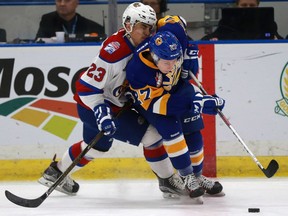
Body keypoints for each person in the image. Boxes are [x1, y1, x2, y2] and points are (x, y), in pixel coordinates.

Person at [38, 2, 187, 199]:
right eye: (143, 26)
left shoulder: (146, 44)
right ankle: (168, 180)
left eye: (150, 27)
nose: (147, 32)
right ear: (128, 25)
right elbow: (86, 88)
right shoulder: (114, 52)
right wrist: (102, 113)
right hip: (95, 105)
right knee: (152, 136)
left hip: (112, 103)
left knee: (97, 147)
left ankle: (55, 172)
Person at [126, 28, 226, 202]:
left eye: (176, 60)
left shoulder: (174, 42)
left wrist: (190, 54)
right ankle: (186, 177)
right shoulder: (138, 71)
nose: (172, 65)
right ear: (155, 57)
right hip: (153, 103)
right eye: (167, 62)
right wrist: (198, 103)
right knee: (172, 130)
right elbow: (164, 105)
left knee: (193, 127)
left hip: (176, 89)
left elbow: (176, 23)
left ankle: (197, 176)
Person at [201, 0, 283, 40]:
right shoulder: (228, 21)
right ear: (237, 5)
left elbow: (279, 39)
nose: (248, 8)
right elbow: (212, 37)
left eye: (252, 5)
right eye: (244, 5)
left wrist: (276, 40)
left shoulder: (266, 22)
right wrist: (212, 40)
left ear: (258, 5)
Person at [35, 0, 105, 40]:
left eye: (67, 0)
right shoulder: (47, 20)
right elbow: (39, 41)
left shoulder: (93, 27)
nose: (62, 4)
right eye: (59, 0)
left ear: (77, 3)